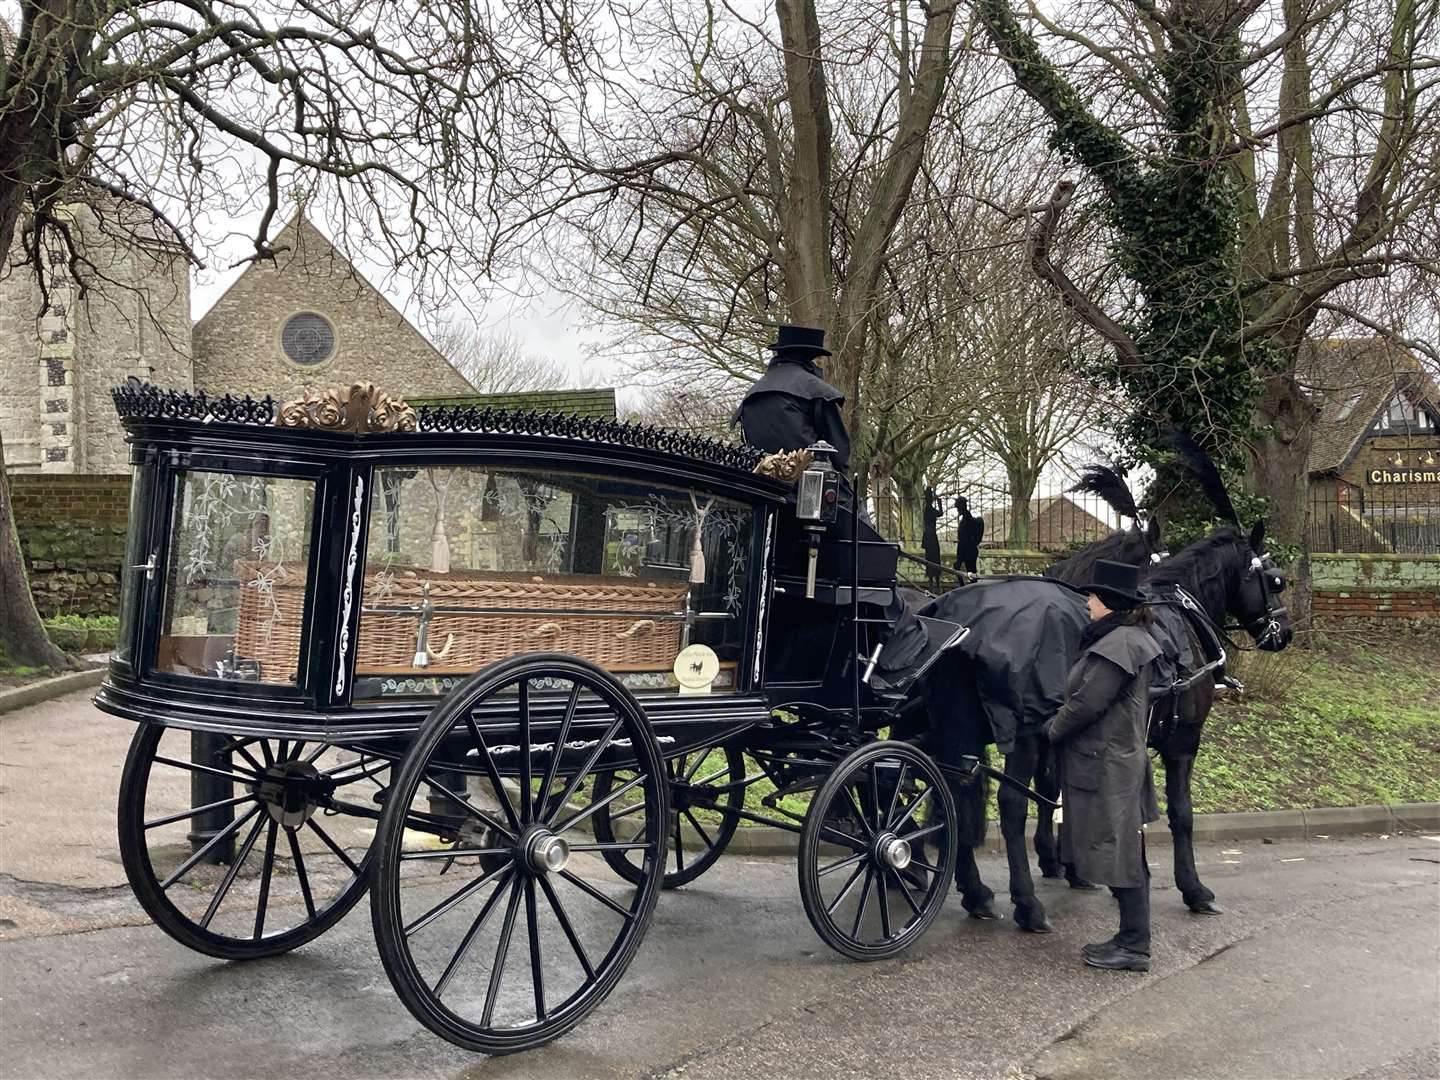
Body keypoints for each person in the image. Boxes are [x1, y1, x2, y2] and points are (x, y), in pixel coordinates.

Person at [1043, 559, 1162, 972]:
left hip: (1107, 763)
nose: (1088, 603)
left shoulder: (1119, 645)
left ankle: (1134, 946)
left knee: (1119, 850)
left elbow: (1086, 704)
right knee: (1125, 848)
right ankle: (1132, 937)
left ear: (1108, 602)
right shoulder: (1126, 638)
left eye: (1092, 597)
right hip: (1114, 758)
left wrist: (1050, 730)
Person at [734, 325, 851, 474]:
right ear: (810, 357)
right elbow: (839, 450)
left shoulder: (753, 392)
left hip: (758, 482)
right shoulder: (817, 390)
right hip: (807, 484)